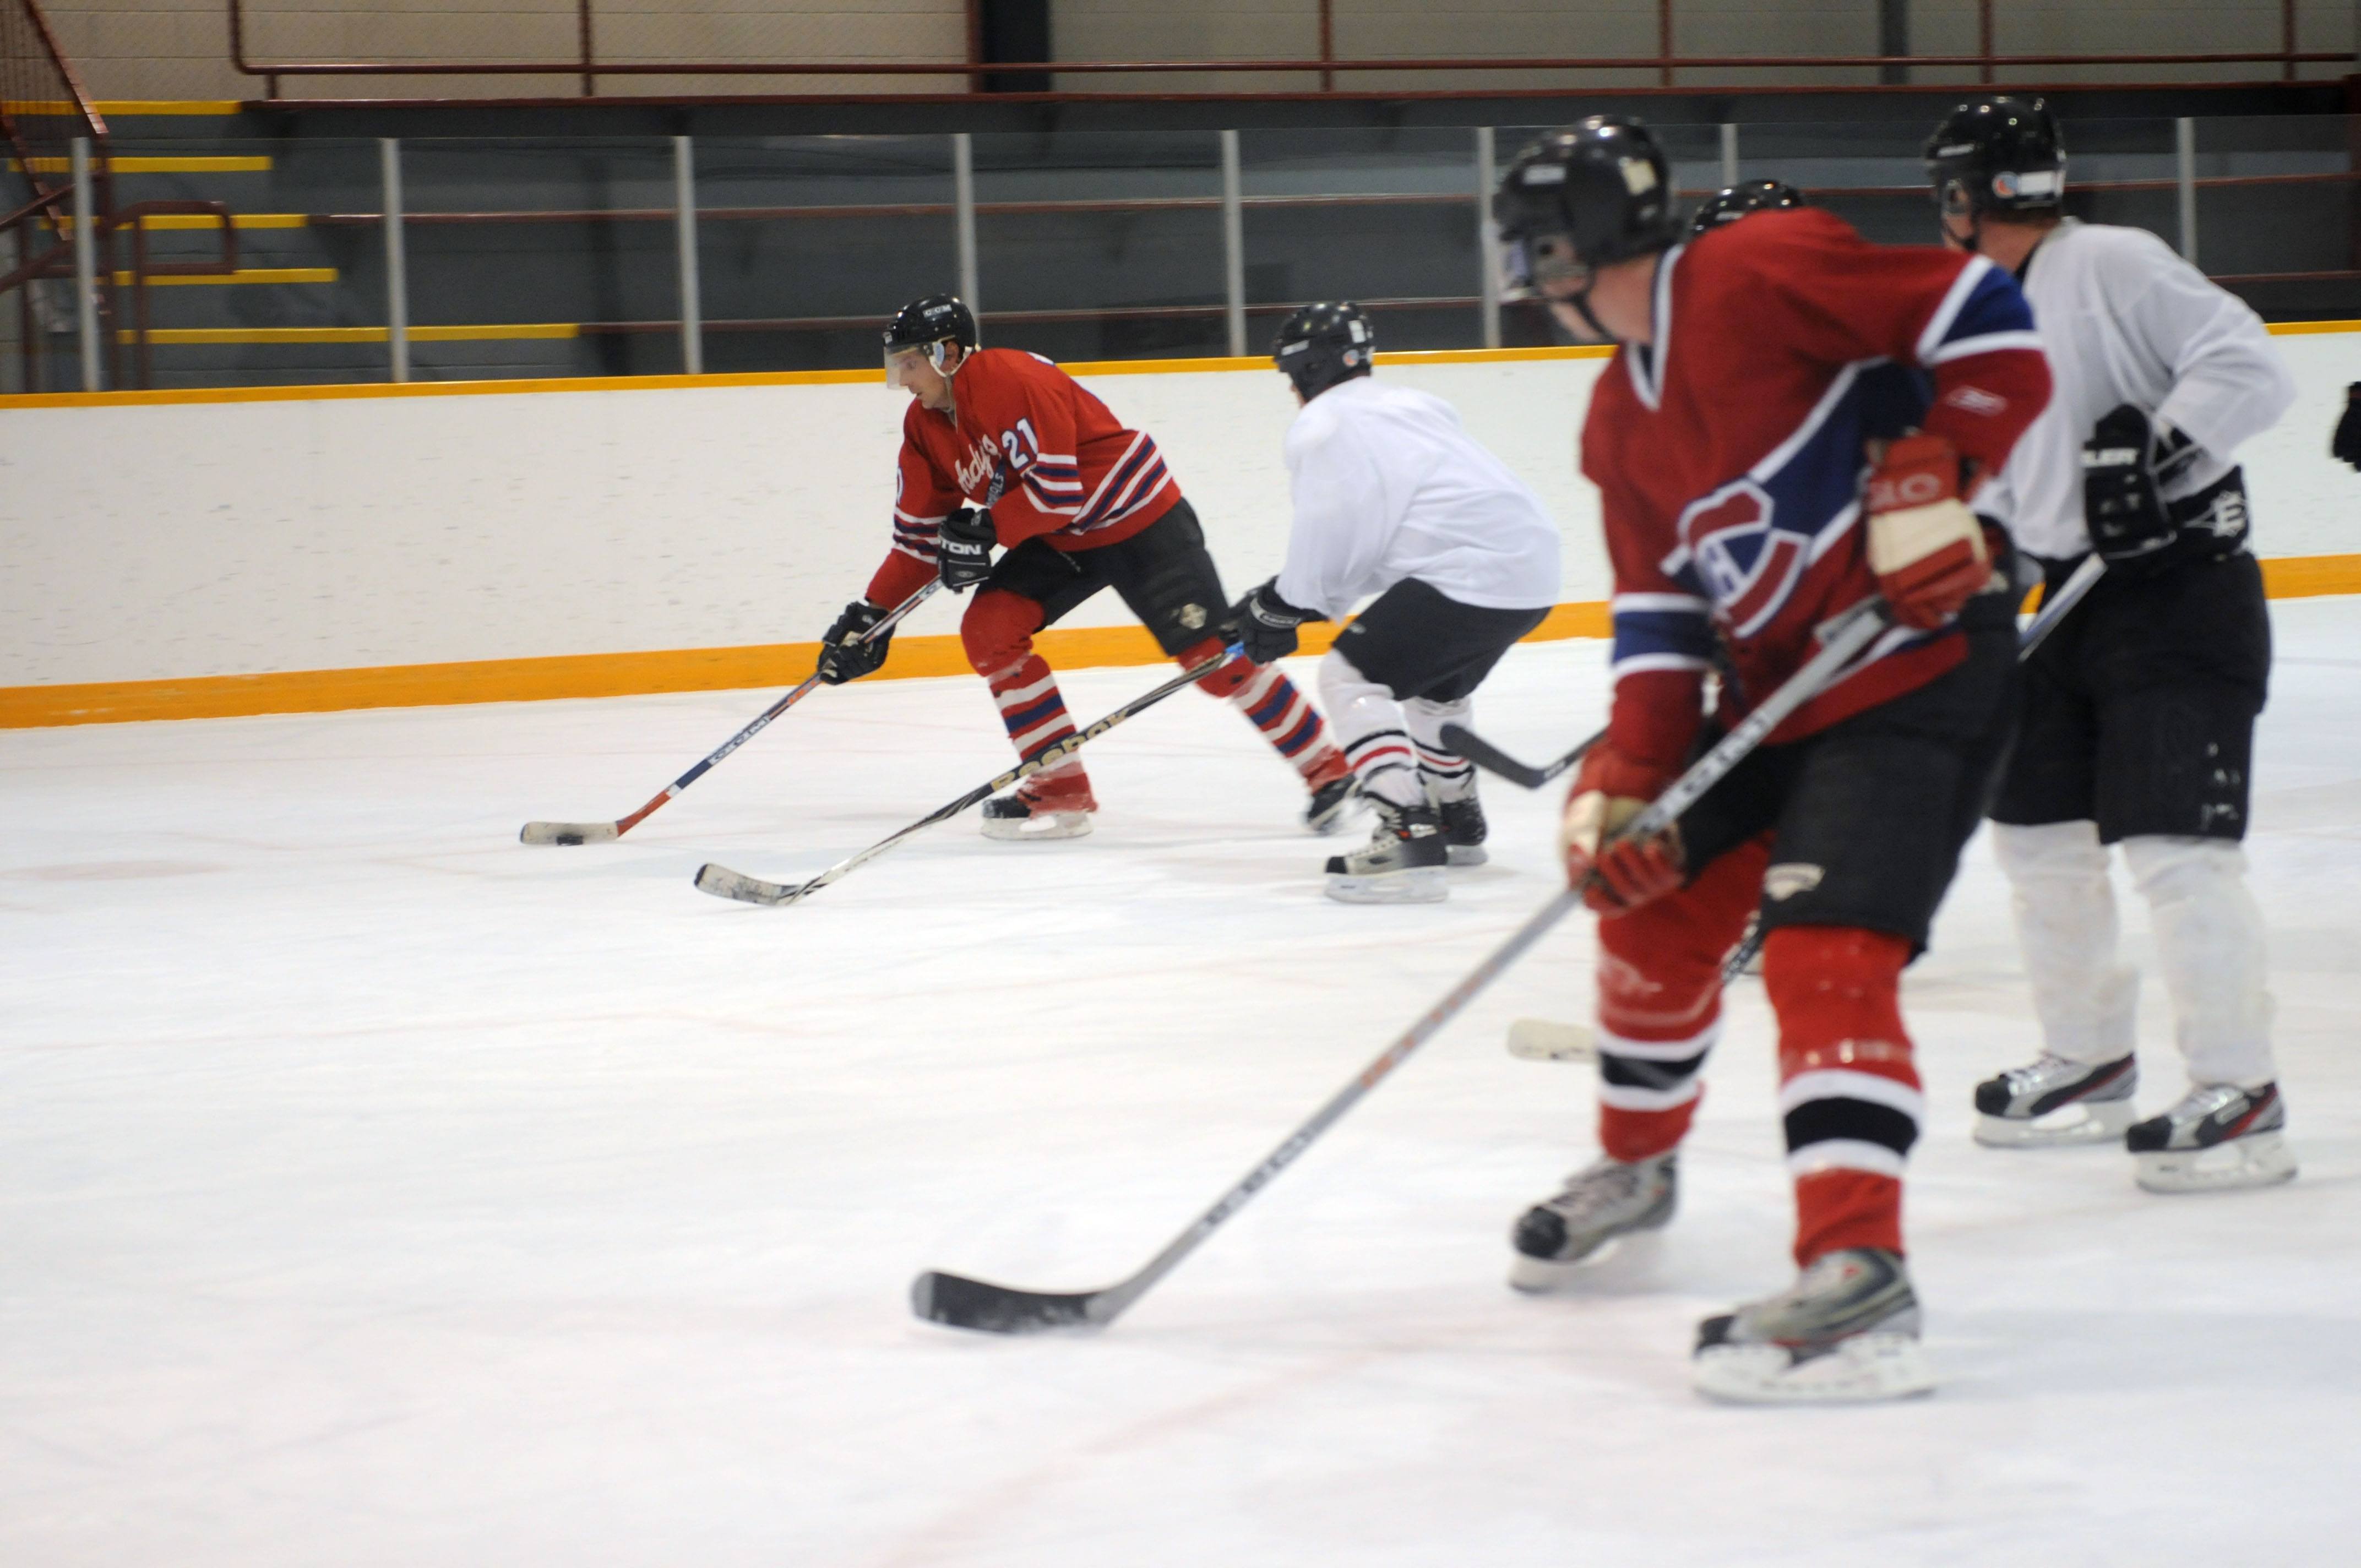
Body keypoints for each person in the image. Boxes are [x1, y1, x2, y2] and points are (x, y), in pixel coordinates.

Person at [1491, 116, 2050, 1402]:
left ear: (1567, 248)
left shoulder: (1754, 271)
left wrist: (1941, 466)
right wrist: (1627, 775)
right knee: (1645, 902)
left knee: (1821, 953)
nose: (1526, 279)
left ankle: (1858, 1274)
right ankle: (1636, 1165)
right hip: (1772, 692)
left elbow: (1983, 314)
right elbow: (1658, 613)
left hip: (1913, 669)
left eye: (1532, 252)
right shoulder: (1609, 418)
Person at [1924, 97, 2301, 1192]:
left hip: (2176, 597)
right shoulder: (1980, 306)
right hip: (2059, 605)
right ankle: (2087, 1061)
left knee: (2175, 852)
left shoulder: (2113, 262)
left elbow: (2247, 368)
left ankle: (2241, 1091)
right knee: (2038, 844)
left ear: (1954, 194)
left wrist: (2158, 446)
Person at [815, 295, 1356, 840]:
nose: (902, 379)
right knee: (990, 629)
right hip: (1060, 536)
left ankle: (1328, 767)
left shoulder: (1011, 379)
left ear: (948, 352)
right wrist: (872, 615)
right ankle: (1058, 785)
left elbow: (1057, 491)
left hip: (1138, 520)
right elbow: (917, 541)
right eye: (898, 365)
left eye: (909, 363)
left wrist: (987, 529)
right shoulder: (924, 428)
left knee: (1213, 661)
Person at [1229, 302, 1561, 903]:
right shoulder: (1411, 406)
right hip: (1531, 570)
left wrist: (1284, 602)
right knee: (1437, 691)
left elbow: (1335, 528)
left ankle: (1406, 829)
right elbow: (1386, 536)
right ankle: (1456, 818)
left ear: (1305, 370)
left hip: (1471, 575)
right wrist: (1297, 600)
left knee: (1350, 677)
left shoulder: (1325, 424)